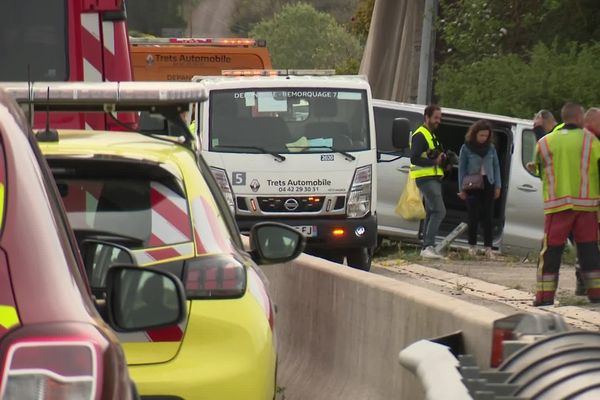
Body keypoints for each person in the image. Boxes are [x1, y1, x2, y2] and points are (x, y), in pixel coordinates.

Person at [527, 102, 600, 306]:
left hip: (557, 205)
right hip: (587, 205)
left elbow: (539, 170)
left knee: (551, 250)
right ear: (579, 118)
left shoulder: (544, 142)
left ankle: (544, 297)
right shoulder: (592, 142)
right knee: (589, 250)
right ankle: (596, 294)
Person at [457, 120, 501, 259]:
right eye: (481, 135)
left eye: (486, 136)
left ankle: (488, 248)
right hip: (472, 184)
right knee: (473, 215)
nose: (483, 138)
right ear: (475, 134)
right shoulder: (466, 148)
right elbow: (462, 169)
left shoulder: (491, 148)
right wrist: (461, 188)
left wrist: (498, 186)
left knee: (488, 216)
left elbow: (496, 167)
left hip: (488, 182)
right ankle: (472, 246)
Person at [410, 104, 447, 259]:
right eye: (436, 118)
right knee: (440, 210)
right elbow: (414, 158)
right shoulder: (420, 134)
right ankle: (428, 246)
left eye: (440, 118)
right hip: (425, 178)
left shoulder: (431, 135)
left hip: (433, 177)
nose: (439, 121)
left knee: (432, 211)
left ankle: (426, 246)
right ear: (427, 117)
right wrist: (435, 162)